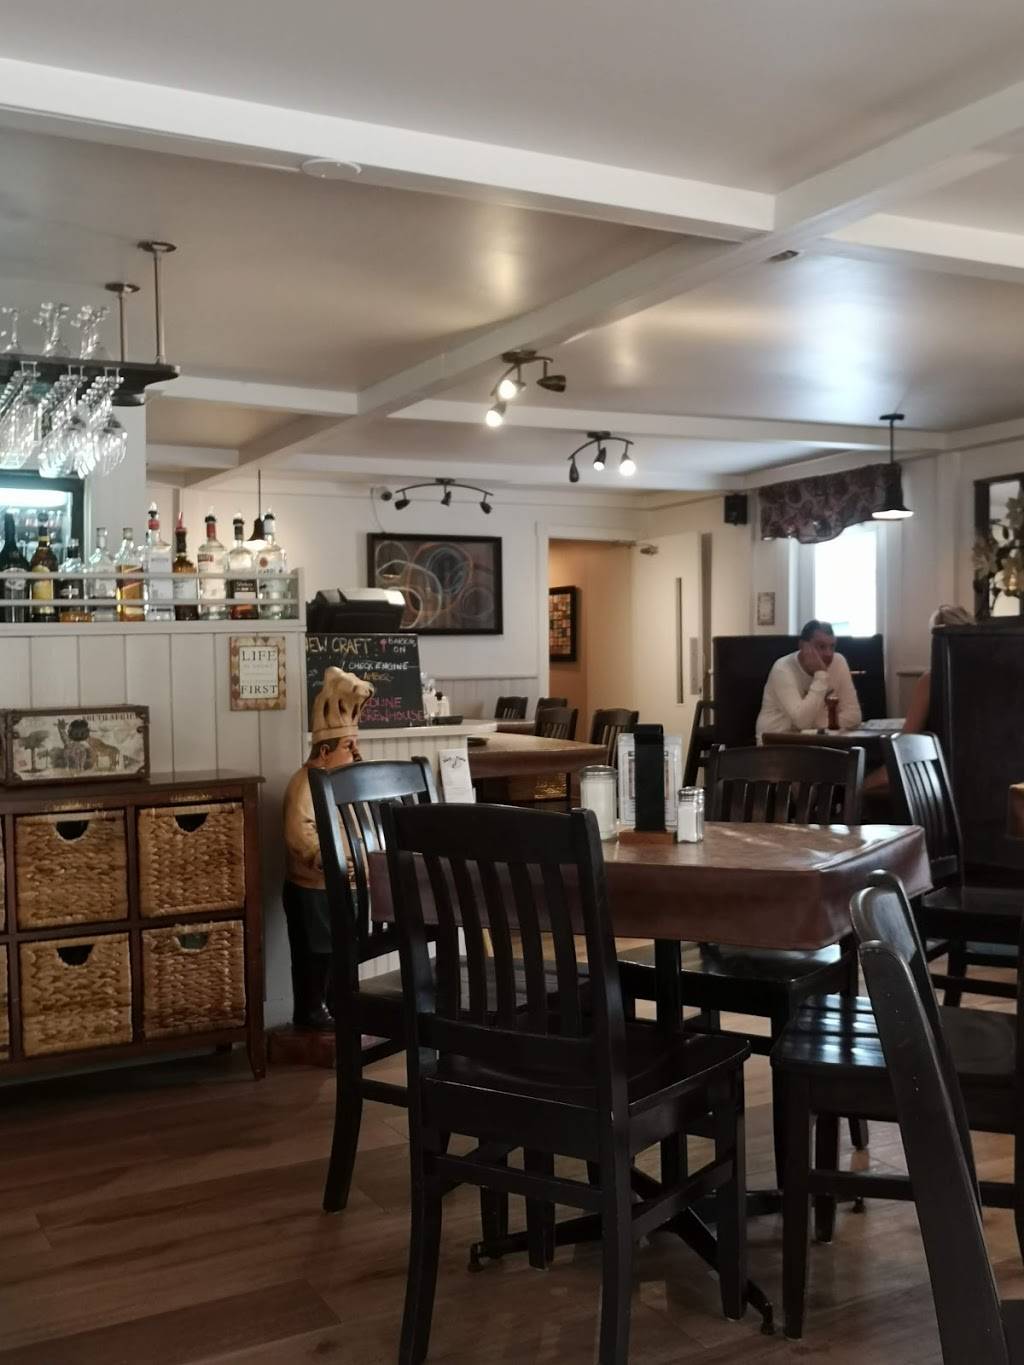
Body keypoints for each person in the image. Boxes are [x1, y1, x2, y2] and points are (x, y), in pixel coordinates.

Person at [282, 666, 374, 1031]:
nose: (356, 753)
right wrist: (325, 858)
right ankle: (312, 1008)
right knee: (316, 952)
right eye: (348, 747)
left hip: (344, 884)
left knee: (343, 949)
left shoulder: (339, 782)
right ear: (324, 751)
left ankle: (337, 1003)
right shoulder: (304, 784)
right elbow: (300, 834)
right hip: (314, 888)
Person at [862, 604, 973, 797]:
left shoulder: (931, 680)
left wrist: (860, 785)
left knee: (860, 785)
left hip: (937, 787)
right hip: (989, 788)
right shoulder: (996, 679)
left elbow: (904, 748)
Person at [755, 619, 862, 738]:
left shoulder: (839, 662)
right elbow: (802, 722)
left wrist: (817, 724)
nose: (829, 654)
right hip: (776, 740)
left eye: (832, 646)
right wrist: (821, 675)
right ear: (802, 646)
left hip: (819, 739)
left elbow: (854, 716)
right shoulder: (782, 669)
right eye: (821, 647)